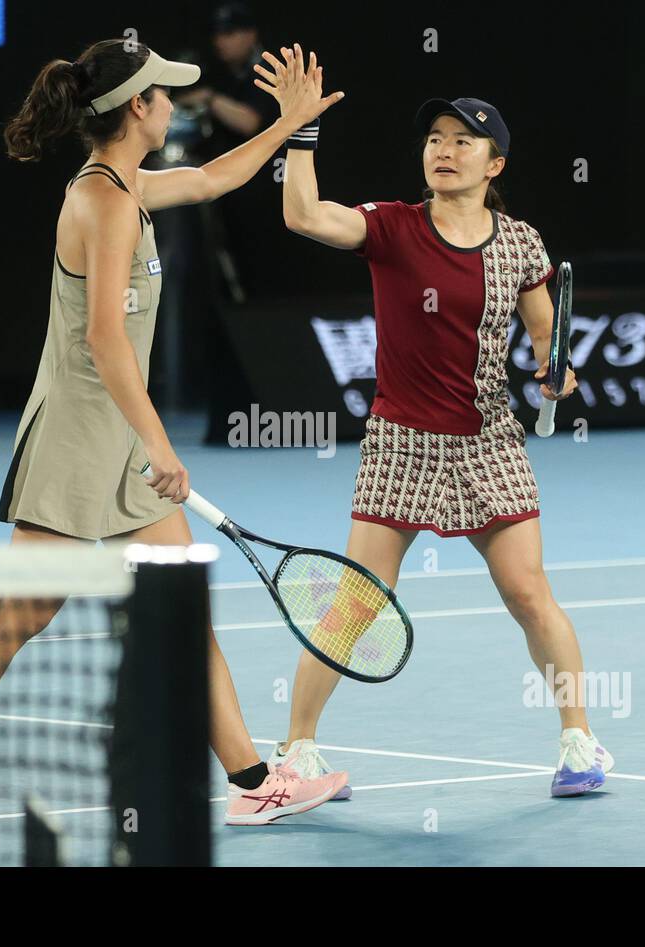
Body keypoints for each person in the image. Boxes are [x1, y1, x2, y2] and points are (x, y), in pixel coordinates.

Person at [0, 39, 348, 829]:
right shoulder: (105, 203)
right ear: (138, 107)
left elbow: (211, 177)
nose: (174, 103)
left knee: (178, 606)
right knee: (22, 615)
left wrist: (293, 126)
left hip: (118, 436)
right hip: (75, 441)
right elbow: (103, 340)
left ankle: (254, 780)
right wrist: (160, 444)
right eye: (165, 93)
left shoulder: (127, 186)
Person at [258, 45, 615, 798]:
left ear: (496, 164)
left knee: (527, 592)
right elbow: (301, 213)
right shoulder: (391, 227)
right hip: (402, 440)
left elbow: (546, 337)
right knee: (354, 602)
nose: (445, 151)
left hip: (489, 438)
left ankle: (579, 741)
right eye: (435, 139)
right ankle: (297, 751)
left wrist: (555, 370)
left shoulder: (520, 244)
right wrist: (298, 132)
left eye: (464, 140)